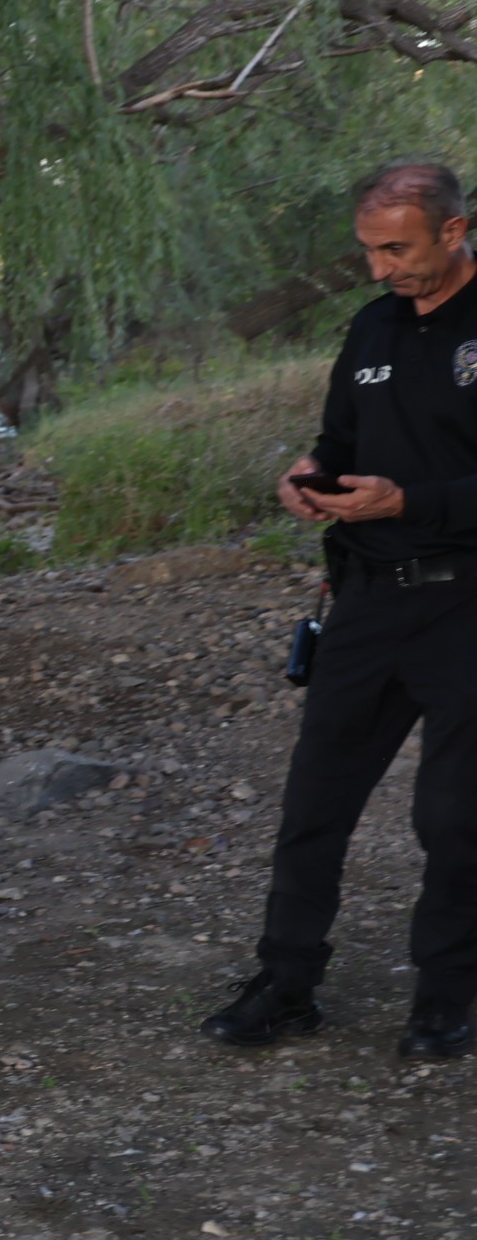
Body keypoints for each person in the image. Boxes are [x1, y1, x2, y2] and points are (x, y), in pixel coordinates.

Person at [205, 160, 477, 1061]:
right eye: (368, 251)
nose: (379, 268)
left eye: (396, 249)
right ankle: (286, 984)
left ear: (453, 229)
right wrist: (306, 476)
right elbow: (337, 441)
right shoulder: (371, 328)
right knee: (313, 804)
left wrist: (407, 504)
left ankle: (445, 998)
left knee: (453, 817)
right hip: (363, 602)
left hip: (463, 604)